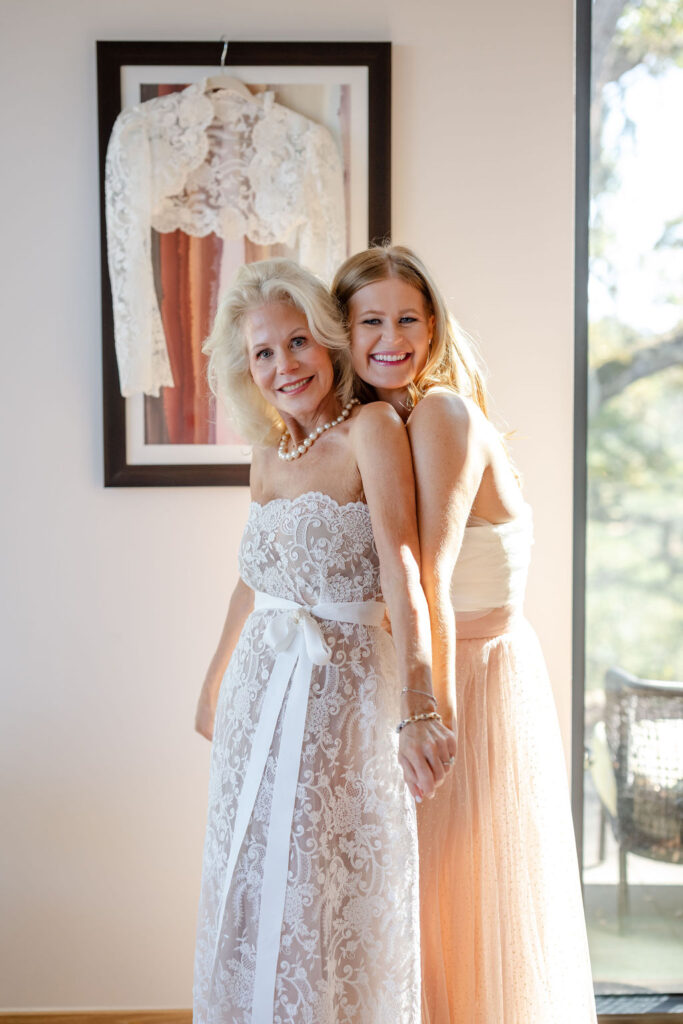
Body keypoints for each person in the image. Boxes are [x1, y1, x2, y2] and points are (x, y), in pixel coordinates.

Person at [333, 244, 597, 1024]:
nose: (391, 335)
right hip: (420, 675)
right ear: (341, 334)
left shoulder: (443, 413)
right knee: (413, 912)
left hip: (469, 683)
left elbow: (426, 580)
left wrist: (429, 720)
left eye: (408, 317)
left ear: (434, 325)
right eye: (369, 319)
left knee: (459, 904)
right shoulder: (378, 427)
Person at [192, 258, 455, 1024]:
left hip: (340, 703)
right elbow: (254, 579)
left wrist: (418, 701)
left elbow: (401, 563)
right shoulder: (268, 455)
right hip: (255, 702)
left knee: (325, 886)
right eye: (263, 353)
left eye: (297, 341)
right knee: (248, 877)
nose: (284, 365)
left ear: (330, 341)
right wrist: (212, 682)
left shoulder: (372, 429)